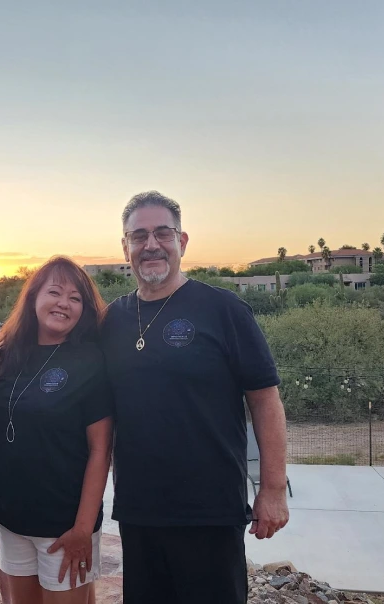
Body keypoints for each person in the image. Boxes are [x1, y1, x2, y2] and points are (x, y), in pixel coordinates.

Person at [101, 191, 290, 604]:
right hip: (139, 510)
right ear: (125, 247)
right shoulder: (113, 318)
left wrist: (273, 488)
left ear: (181, 242)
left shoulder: (223, 310)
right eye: (139, 236)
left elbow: (265, 399)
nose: (151, 245)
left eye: (162, 233)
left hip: (210, 510)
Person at [0, 256, 113, 604]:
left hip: (65, 525)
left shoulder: (90, 361)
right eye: (54, 292)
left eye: (75, 298)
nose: (63, 303)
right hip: (12, 519)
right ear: (33, 297)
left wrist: (83, 529)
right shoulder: (6, 354)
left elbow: (101, 450)